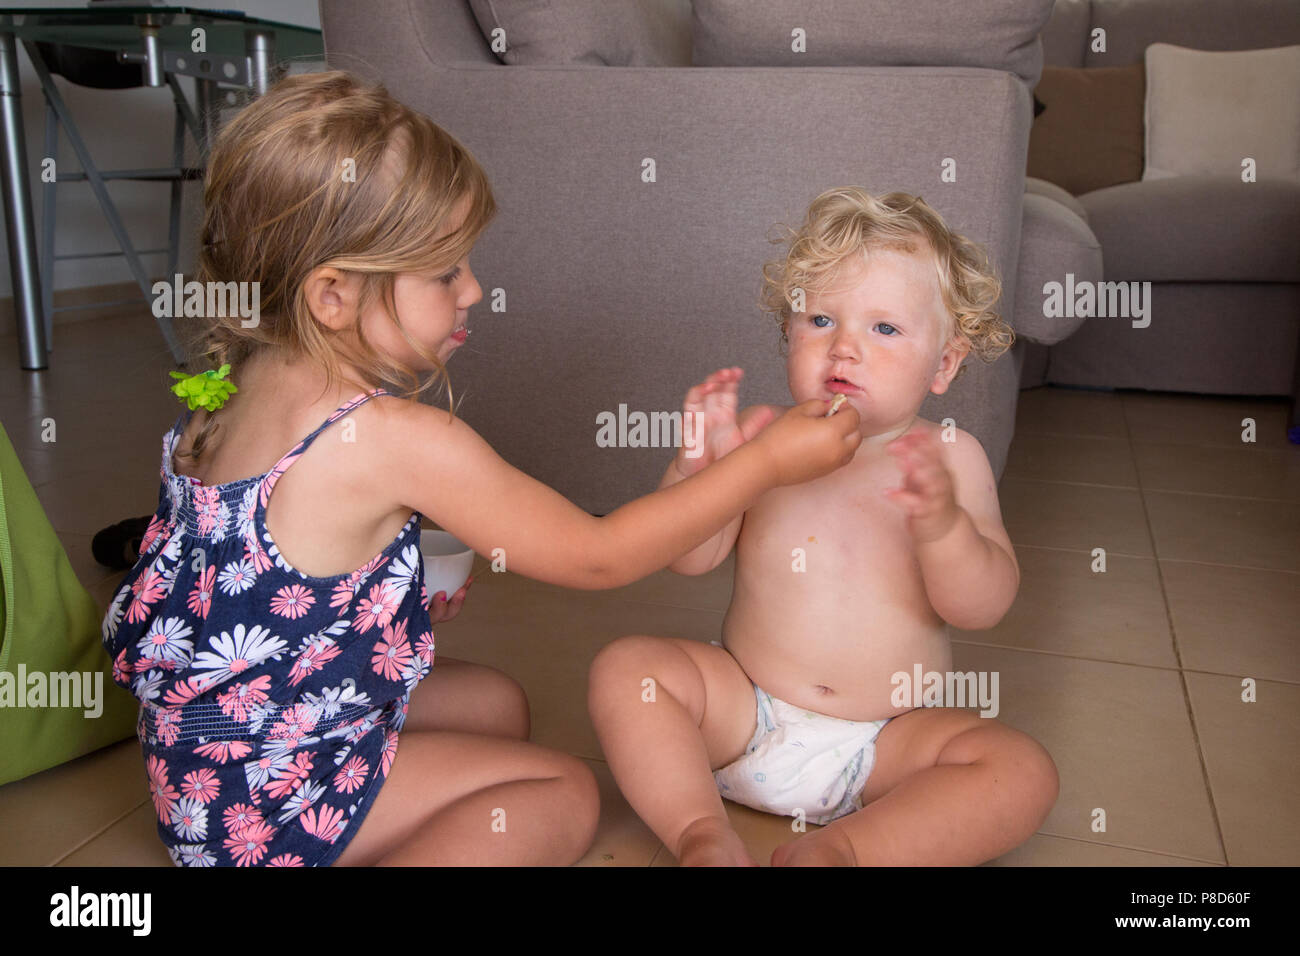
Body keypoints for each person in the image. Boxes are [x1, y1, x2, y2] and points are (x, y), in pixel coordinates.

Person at [101, 72, 861, 867]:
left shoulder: (223, 391)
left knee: (496, 706)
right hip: (271, 803)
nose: (475, 288)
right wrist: (765, 464)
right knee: (559, 793)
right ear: (333, 295)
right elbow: (597, 554)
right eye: (443, 273)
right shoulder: (392, 437)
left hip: (199, 773)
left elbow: (236, 595)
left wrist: (385, 612)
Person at [589, 187, 1059, 866]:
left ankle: (842, 853)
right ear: (788, 330)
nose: (844, 349)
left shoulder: (952, 459)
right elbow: (691, 558)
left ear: (945, 363)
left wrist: (942, 528)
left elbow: (982, 605)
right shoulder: (761, 436)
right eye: (819, 320)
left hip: (888, 743)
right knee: (627, 668)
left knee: (1019, 769)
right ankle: (700, 832)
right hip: (745, 712)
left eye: (885, 329)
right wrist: (698, 465)